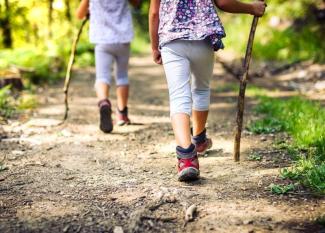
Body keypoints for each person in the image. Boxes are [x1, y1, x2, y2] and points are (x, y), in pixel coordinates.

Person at [149, 0, 266, 181]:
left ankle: (187, 158)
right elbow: (224, 2)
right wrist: (252, 8)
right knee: (201, 90)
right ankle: (199, 139)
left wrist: (154, 46)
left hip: (171, 40)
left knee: (179, 97)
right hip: (202, 37)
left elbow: (154, 13)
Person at [76, 0, 140, 133]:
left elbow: (79, 14)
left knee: (102, 76)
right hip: (123, 38)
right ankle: (122, 113)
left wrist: (90, 11)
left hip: (102, 39)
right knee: (122, 76)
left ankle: (104, 102)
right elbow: (136, 2)